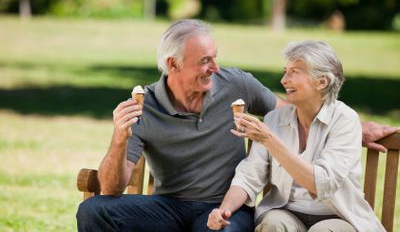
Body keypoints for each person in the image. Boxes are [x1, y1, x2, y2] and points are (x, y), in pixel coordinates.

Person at [76, 20, 397, 232]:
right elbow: (111, 189)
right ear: (173, 64)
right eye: (205, 61)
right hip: (169, 206)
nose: (215, 68)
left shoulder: (236, 84)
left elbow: (293, 112)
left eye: (215, 57)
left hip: (226, 207)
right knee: (94, 212)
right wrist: (119, 138)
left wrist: (357, 127)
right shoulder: (144, 105)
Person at [207, 41, 387, 232]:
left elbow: (320, 185)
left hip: (338, 217)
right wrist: (224, 210)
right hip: (287, 212)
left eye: (294, 72)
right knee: (272, 223)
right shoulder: (274, 120)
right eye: (285, 71)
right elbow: (249, 176)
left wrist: (269, 139)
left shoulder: (345, 120)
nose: (284, 80)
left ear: (322, 82)